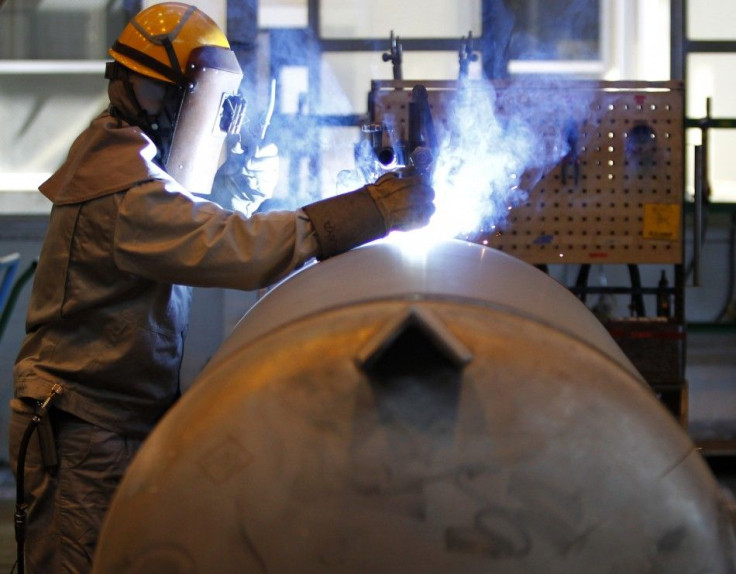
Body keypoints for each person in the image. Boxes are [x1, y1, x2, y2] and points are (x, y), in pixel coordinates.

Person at [8, 3, 435, 573]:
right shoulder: (122, 192)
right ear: (160, 96)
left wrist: (236, 188)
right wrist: (369, 210)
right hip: (84, 431)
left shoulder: (123, 163)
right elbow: (236, 250)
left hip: (114, 420)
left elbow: (186, 227)